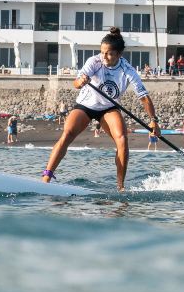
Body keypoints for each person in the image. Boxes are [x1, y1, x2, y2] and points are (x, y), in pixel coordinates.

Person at [42, 27, 158, 191]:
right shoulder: (94, 62)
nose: (104, 57)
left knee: (122, 140)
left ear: (119, 54)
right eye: (102, 52)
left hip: (109, 108)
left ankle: (120, 187)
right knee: (67, 134)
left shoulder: (128, 70)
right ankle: (46, 177)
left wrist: (154, 121)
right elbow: (76, 83)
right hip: (86, 106)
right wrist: (80, 81)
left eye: (109, 53)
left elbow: (144, 97)